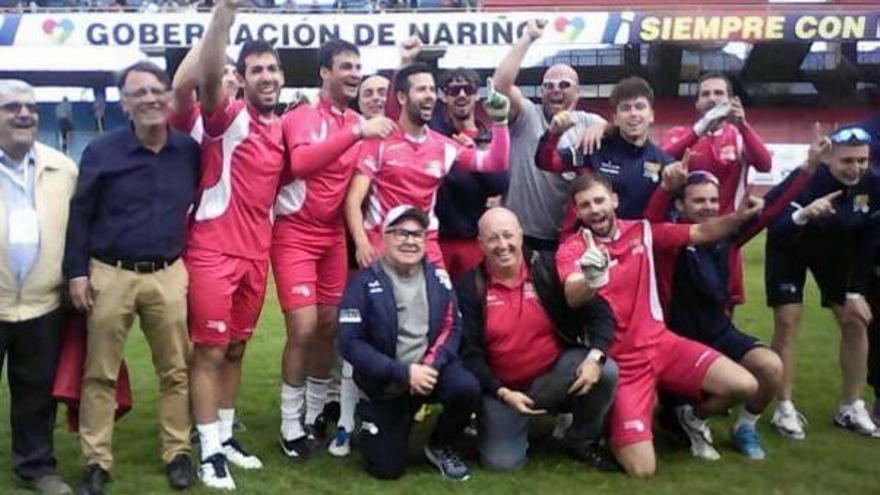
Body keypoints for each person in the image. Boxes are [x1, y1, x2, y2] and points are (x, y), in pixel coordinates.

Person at [556, 174, 761, 477]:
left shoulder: (643, 231)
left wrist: (739, 217)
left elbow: (703, 231)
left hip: (663, 345)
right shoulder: (572, 249)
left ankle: (690, 417)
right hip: (621, 363)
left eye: (599, 200)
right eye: (585, 205)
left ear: (614, 201)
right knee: (642, 470)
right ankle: (612, 422)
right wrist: (591, 276)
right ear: (578, 211)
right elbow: (573, 296)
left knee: (745, 385)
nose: (594, 209)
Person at [643, 128, 827, 459]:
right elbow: (649, 223)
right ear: (681, 204)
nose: (708, 207)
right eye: (699, 200)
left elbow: (770, 209)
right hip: (678, 339)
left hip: (719, 332)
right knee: (716, 391)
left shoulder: (728, 236)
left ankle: (745, 425)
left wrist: (808, 167)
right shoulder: (667, 240)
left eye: (713, 200)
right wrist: (665, 188)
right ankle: (688, 417)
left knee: (770, 368)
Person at [63, 61, 200, 495]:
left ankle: (177, 452)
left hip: (167, 274)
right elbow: (80, 216)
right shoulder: (101, 152)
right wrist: (76, 274)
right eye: (138, 93)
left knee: (176, 371)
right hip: (110, 274)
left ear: (168, 96)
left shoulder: (188, 152)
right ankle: (96, 462)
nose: (150, 99)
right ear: (124, 103)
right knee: (99, 373)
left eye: (156, 90)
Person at [273, 38, 396, 460]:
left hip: (330, 237)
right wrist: (357, 130)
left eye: (357, 65)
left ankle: (313, 414)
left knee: (329, 327)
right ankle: (289, 424)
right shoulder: (306, 116)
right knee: (303, 328)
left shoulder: (356, 120)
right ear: (324, 71)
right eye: (345, 65)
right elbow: (304, 163)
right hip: (294, 233)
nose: (353, 73)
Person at [183, 0, 287, 489]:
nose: (265, 76)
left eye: (271, 68)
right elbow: (204, 79)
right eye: (255, 69)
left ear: (281, 76)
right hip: (212, 251)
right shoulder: (228, 116)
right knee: (210, 350)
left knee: (238, 349)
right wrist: (222, 19)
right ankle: (207, 451)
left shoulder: (279, 128)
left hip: (254, 255)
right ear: (241, 78)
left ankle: (224, 436)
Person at [456, 207, 618, 471]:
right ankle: (496, 422)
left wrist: (595, 356)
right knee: (502, 464)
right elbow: (469, 352)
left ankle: (580, 439)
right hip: (502, 390)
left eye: (508, 235)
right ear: (480, 244)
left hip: (554, 376)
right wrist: (503, 392)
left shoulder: (546, 267)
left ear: (520, 235)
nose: (503, 245)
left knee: (606, 370)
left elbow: (600, 312)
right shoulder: (469, 286)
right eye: (493, 238)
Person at [338, 205, 480, 481]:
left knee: (466, 388)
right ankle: (376, 419)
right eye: (401, 233)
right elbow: (350, 344)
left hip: (428, 373)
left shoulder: (438, 278)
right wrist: (403, 373)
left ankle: (440, 444)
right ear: (385, 237)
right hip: (387, 382)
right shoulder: (363, 282)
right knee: (385, 470)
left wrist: (429, 365)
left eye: (417, 235)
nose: (410, 241)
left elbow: (453, 326)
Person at [765, 125, 880, 440]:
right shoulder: (808, 178)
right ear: (829, 156)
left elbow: (871, 240)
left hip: (835, 252)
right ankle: (784, 408)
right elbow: (773, 222)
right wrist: (804, 213)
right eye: (847, 161)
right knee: (788, 320)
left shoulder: (874, 184)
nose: (855, 168)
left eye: (861, 160)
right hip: (791, 247)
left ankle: (851, 405)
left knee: (855, 320)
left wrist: (857, 290)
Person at [345, 62, 511, 270]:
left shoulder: (444, 146)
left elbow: (495, 163)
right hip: (383, 240)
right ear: (402, 97)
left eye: (432, 89)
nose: (430, 95)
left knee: (444, 302)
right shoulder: (378, 141)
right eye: (422, 89)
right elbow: (353, 199)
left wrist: (500, 121)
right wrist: (361, 243)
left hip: (426, 243)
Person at [0, 79, 77, 495]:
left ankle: (36, 466)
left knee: (36, 394)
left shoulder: (62, 167)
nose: (25, 114)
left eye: (30, 107)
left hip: (42, 304)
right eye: (12, 107)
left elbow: (79, 230)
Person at [491, 19, 605, 251]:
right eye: (549, 85)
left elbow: (619, 131)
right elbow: (500, 87)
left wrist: (604, 128)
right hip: (522, 237)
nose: (556, 90)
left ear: (577, 92)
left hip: (571, 238)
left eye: (564, 85)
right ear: (541, 91)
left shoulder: (590, 122)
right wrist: (528, 38)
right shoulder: (526, 115)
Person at [661, 72, 772, 308]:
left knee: (723, 308)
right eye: (706, 94)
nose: (712, 98)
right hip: (685, 236)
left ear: (731, 99)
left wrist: (743, 124)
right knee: (680, 307)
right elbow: (661, 160)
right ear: (697, 103)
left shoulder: (738, 136)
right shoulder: (679, 134)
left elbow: (765, 164)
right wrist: (700, 130)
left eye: (719, 93)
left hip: (726, 235)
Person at [536, 76, 680, 228]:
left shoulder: (664, 163)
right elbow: (547, 163)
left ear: (651, 115)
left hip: (637, 247)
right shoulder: (593, 148)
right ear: (615, 118)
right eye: (626, 108)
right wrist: (554, 135)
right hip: (592, 247)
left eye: (639, 107)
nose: (633, 114)